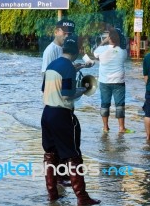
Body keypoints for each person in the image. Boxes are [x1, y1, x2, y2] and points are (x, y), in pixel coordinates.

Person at [41, 38, 101, 205]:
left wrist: (81, 66)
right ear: (76, 53)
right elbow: (67, 94)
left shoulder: (52, 65)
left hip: (46, 114)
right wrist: (82, 90)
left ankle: (52, 194)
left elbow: (47, 86)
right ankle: (82, 197)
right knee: (73, 155)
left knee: (50, 155)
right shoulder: (68, 68)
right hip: (62, 115)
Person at [93, 27, 131, 133]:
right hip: (119, 81)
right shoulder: (123, 52)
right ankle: (121, 128)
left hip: (104, 81)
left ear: (109, 37)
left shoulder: (102, 50)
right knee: (120, 104)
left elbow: (95, 53)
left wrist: (103, 41)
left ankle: (105, 127)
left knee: (105, 104)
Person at [142, 53, 150, 140]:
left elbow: (146, 76)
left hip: (149, 89)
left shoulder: (147, 57)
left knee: (148, 114)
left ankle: (148, 137)